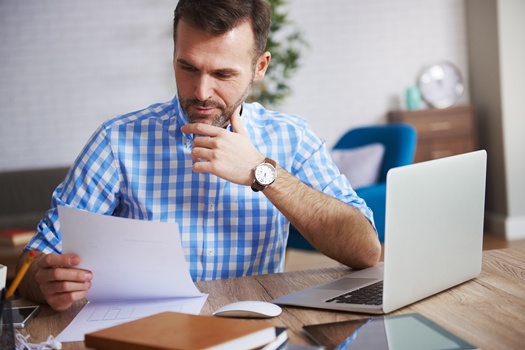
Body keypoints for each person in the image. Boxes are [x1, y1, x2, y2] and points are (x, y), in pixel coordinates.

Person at [17, 0, 381, 312]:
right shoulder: (116, 141)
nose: (201, 92)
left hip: (253, 329)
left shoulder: (292, 138)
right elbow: (33, 259)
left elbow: (365, 251)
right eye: (187, 67)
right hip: (146, 334)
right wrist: (43, 280)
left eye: (223, 73)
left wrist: (260, 172)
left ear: (260, 67)